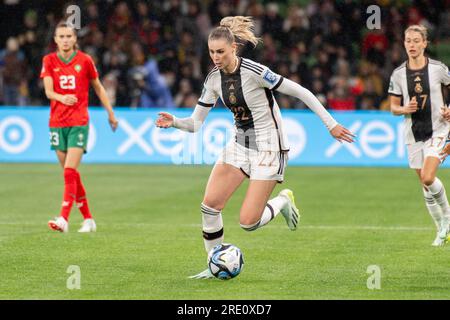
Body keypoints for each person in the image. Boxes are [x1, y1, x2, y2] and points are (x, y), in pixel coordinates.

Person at [156, 16, 354, 278]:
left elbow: (302, 92)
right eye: (212, 52)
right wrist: (175, 123)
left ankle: (282, 201)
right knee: (209, 206)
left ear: (233, 48)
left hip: (270, 147)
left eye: (221, 52)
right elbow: (195, 124)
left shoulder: (255, 72)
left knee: (248, 222)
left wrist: (331, 124)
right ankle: (214, 263)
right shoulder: (213, 79)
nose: (215, 57)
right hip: (240, 144)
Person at [40, 22, 119, 233]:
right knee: (71, 174)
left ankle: (63, 219)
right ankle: (88, 219)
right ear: (55, 39)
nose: (65, 40)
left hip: (79, 122)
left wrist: (110, 113)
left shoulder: (84, 61)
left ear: (75, 39)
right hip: (57, 123)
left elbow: (99, 88)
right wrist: (61, 97)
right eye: (61, 36)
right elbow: (48, 92)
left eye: (69, 36)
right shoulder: (48, 60)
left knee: (69, 171)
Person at [389, 25, 450, 246]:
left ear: (425, 43)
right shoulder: (398, 75)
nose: (412, 45)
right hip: (413, 134)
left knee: (427, 176)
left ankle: (448, 218)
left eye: (416, 40)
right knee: (425, 185)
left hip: (439, 129)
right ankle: (440, 230)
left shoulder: (438, 69)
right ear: (404, 43)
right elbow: (393, 107)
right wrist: (405, 109)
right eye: (408, 41)